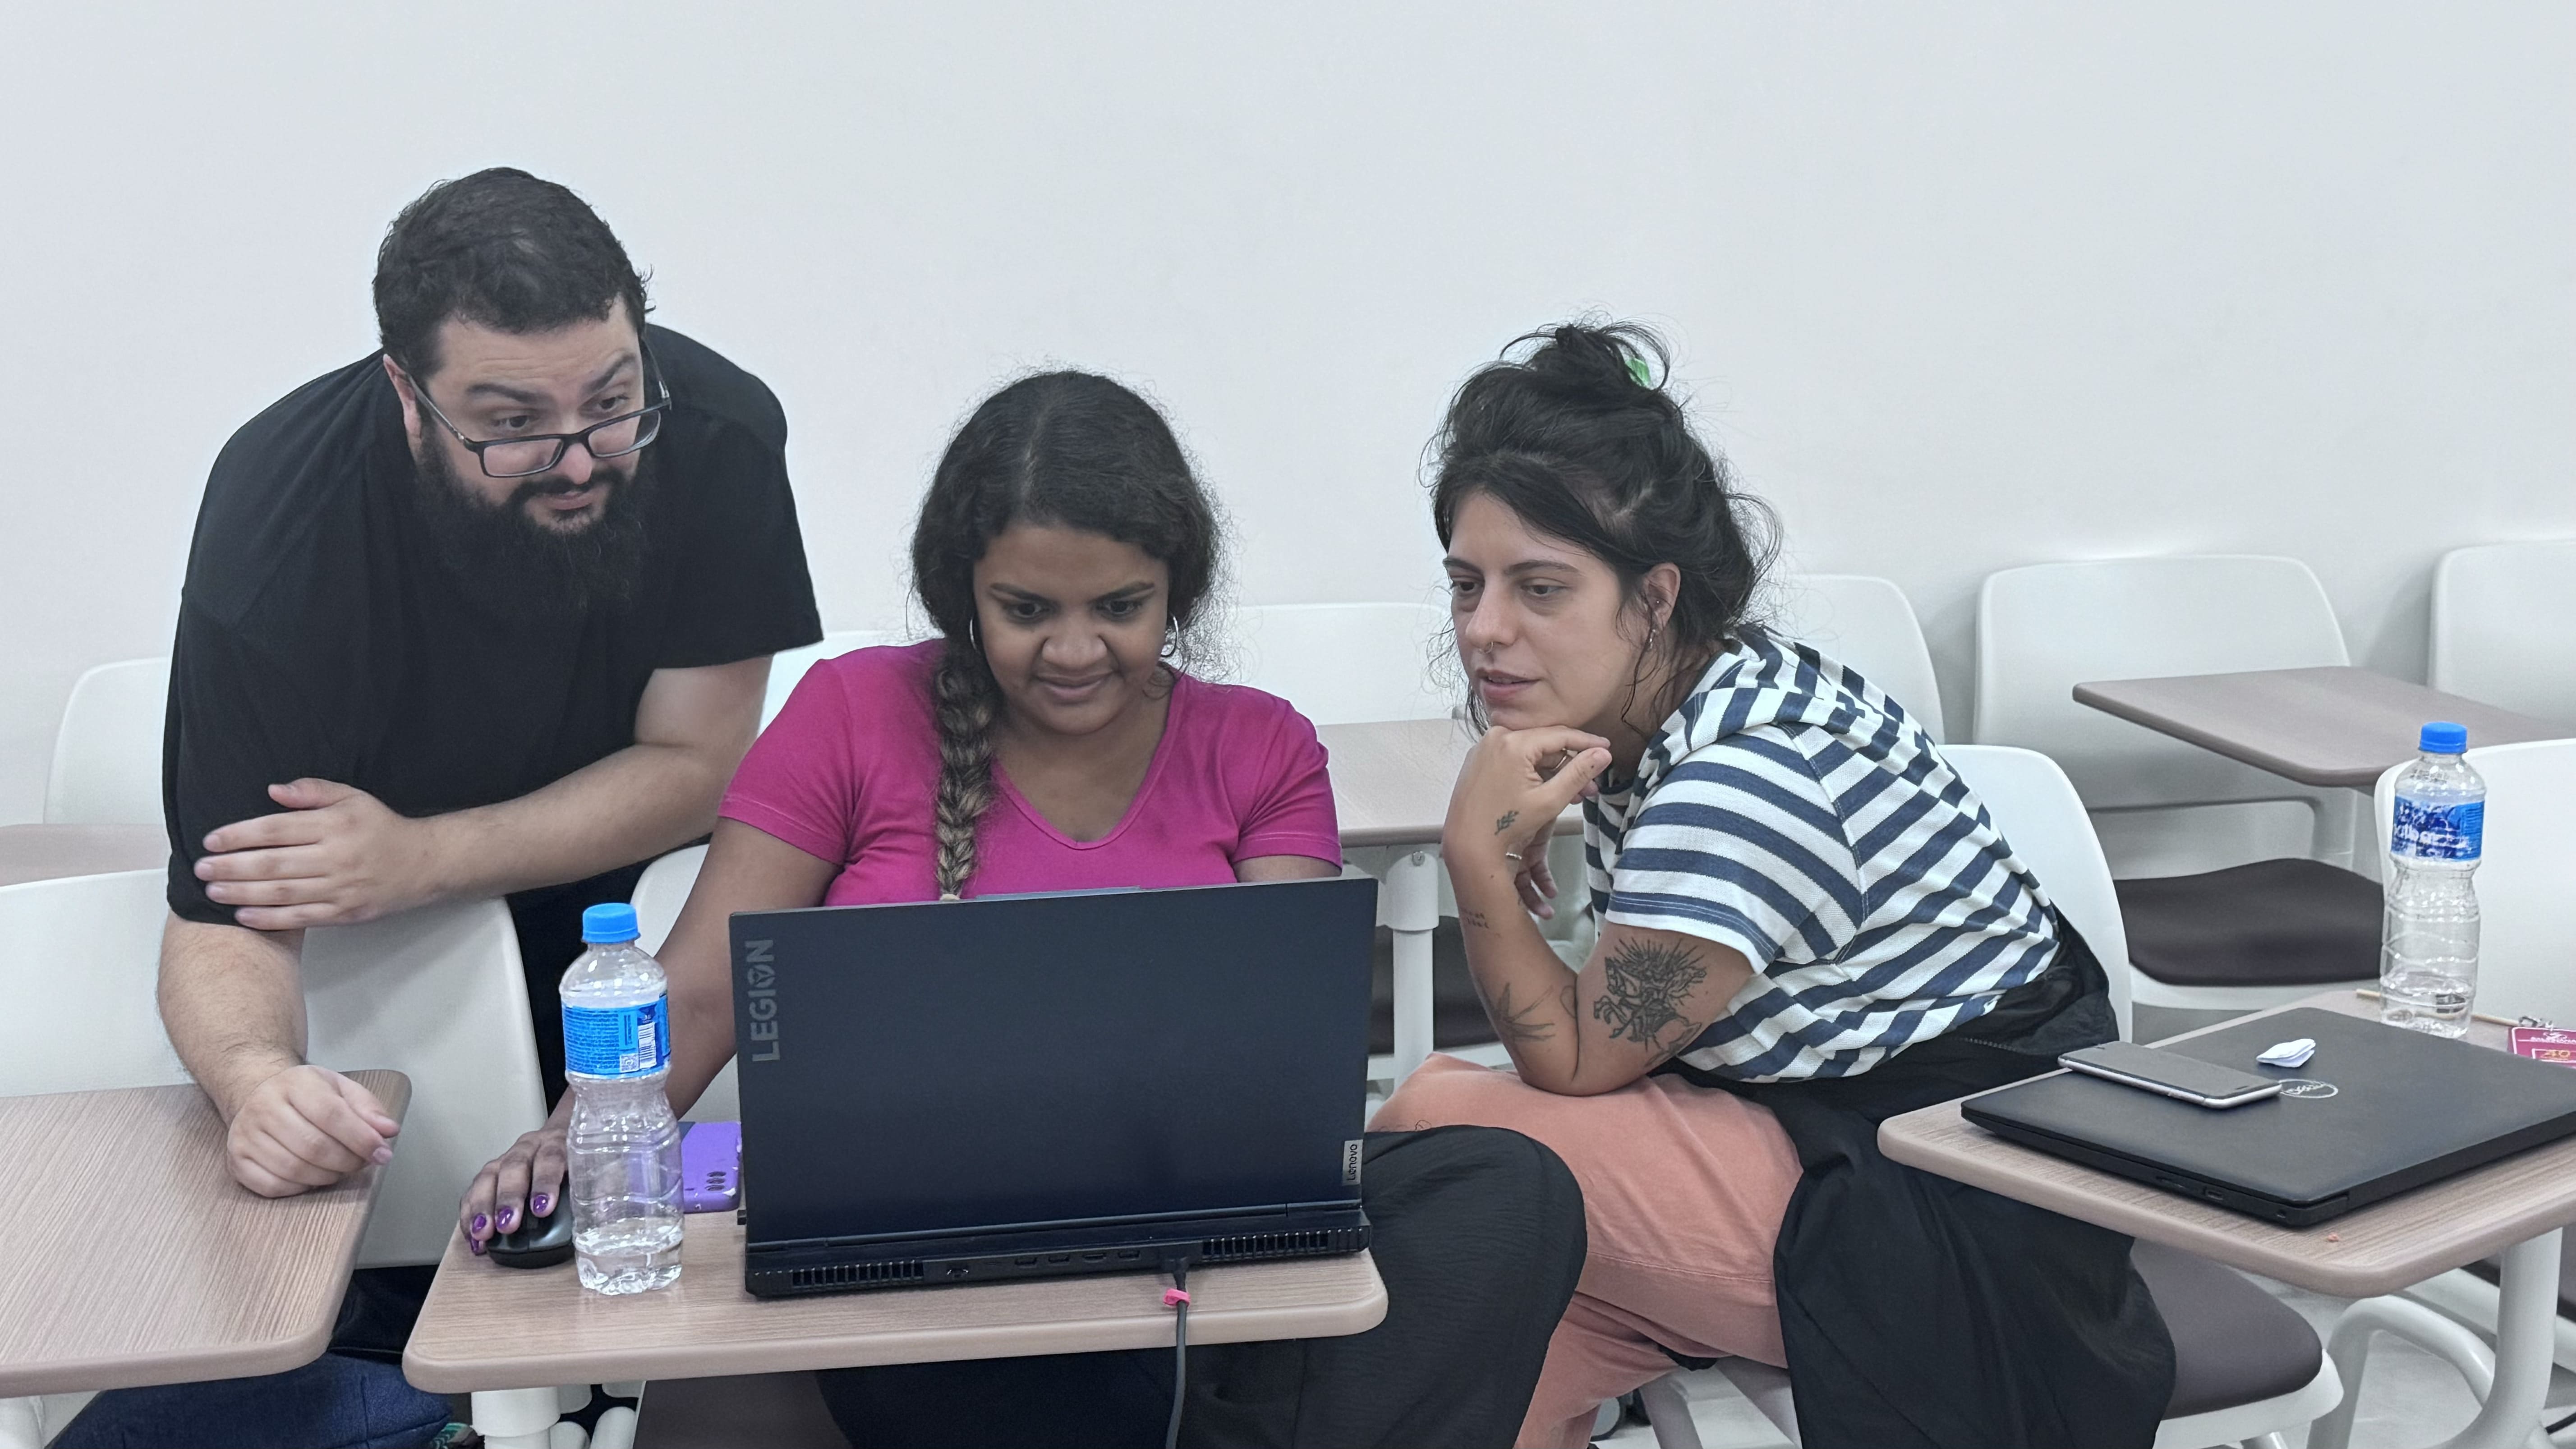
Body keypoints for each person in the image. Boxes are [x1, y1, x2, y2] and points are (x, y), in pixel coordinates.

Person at [465, 370, 1585, 1449]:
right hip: (928, 1272)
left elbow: (1280, 1055)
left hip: (1188, 1258)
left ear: (1177, 589)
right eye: (1026, 609)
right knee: (997, 1360)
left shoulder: (1261, 745)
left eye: (1121, 607)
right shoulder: (851, 713)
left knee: (1507, 1193)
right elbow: (703, 994)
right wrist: (570, 1143)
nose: (1075, 649)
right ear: (964, 592)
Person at [65, 170, 820, 1449]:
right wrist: (256, 1082)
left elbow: (698, 760)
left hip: (637, 937)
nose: (578, 455)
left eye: (612, 400)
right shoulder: (280, 529)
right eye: (512, 423)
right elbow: (227, 910)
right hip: (393, 979)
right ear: (405, 394)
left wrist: (421, 855)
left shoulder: (719, 431)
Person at [1372, 322, 2176, 1449]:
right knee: (1467, 1343)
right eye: (1467, 584)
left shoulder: (1743, 777)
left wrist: (1477, 862)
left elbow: (1580, 1060)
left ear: (1656, 596)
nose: (1484, 629)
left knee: (1438, 1129)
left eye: (1540, 588)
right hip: (1827, 1135)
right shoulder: (1708, 696)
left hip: (1959, 1218)